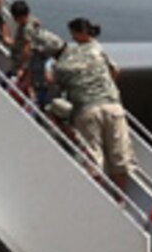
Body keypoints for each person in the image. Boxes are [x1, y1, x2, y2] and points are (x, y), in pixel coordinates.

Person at [50, 18, 134, 192]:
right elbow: (115, 71)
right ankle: (120, 199)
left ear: (75, 33)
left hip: (87, 108)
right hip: (112, 106)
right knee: (120, 158)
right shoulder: (98, 48)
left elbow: (53, 80)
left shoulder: (68, 56)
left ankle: (95, 196)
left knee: (93, 158)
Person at [5, 0, 62, 108]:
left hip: (30, 65)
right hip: (36, 62)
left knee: (28, 89)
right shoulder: (33, 21)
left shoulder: (27, 28)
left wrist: (22, 67)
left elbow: (28, 48)